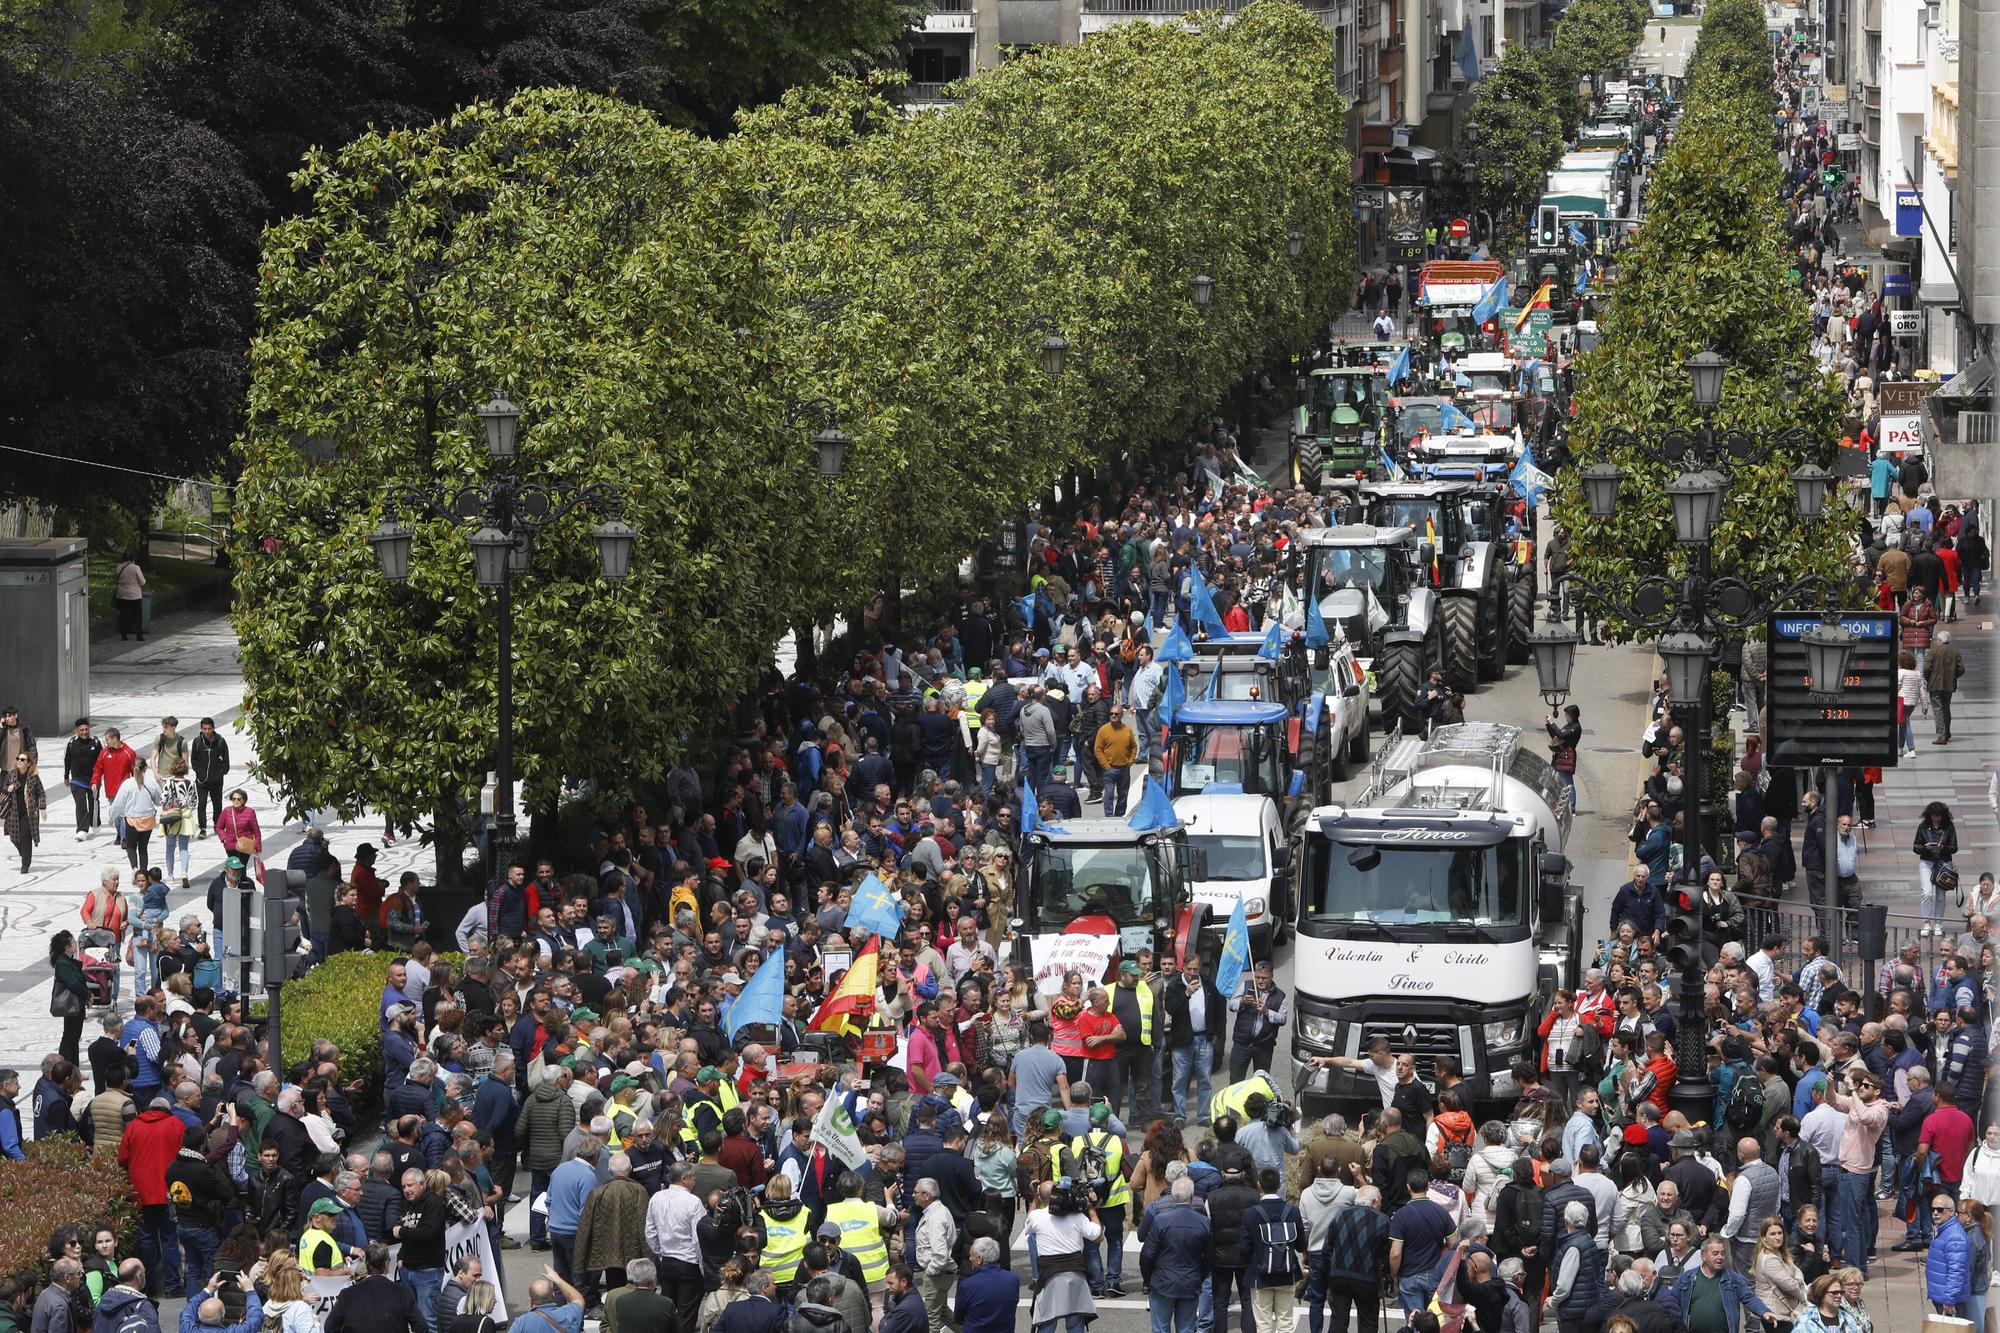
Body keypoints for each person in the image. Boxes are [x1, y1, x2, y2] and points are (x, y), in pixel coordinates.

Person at [1141, 1176, 1211, 1333]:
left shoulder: (1160, 1221)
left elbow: (1147, 1256)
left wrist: (1148, 1279)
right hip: (1190, 1281)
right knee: (1186, 1328)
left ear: (1173, 1197)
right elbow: (1209, 1258)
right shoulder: (1204, 1223)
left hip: (1162, 1282)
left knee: (1160, 1328)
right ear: (1192, 1197)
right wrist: (1199, 1277)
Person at [1663, 1237, 1774, 1333]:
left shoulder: (1733, 1279)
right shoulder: (1687, 1278)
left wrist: (1764, 1311)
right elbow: (1672, 1298)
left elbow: (1749, 1298)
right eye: (1715, 1253)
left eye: (1722, 1253)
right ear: (1703, 1256)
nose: (1720, 1257)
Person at [1244, 1166, 1306, 1333]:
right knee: (1285, 1323)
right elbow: (1301, 1245)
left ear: (1259, 1185)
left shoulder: (1250, 1214)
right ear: (1279, 1185)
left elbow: (1244, 1248)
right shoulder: (1293, 1212)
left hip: (1260, 1275)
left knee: (1263, 1325)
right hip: (1286, 1273)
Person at [955, 1236, 1019, 1333]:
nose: (970, 1258)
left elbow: (958, 1316)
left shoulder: (967, 1285)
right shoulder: (1013, 1280)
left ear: (979, 1259)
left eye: (972, 1255)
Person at [1928, 1193, 1973, 1316]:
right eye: (1932, 1209)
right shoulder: (1944, 1230)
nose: (1935, 1213)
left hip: (1950, 1301)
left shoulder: (1954, 1236)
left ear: (1952, 1211)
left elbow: (1956, 1271)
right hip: (1942, 1296)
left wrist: (1949, 1300)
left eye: (1940, 1210)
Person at [3, 750, 46, 874]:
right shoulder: (11, 775)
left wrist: (42, 808)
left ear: (28, 763)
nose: (19, 761)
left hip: (29, 813)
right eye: (18, 759)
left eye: (22, 760)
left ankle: (25, 864)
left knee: (25, 837)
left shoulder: (33, 777)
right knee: (14, 838)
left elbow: (41, 793)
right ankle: (24, 853)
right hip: (13, 812)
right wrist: (9, 788)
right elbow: (4, 789)